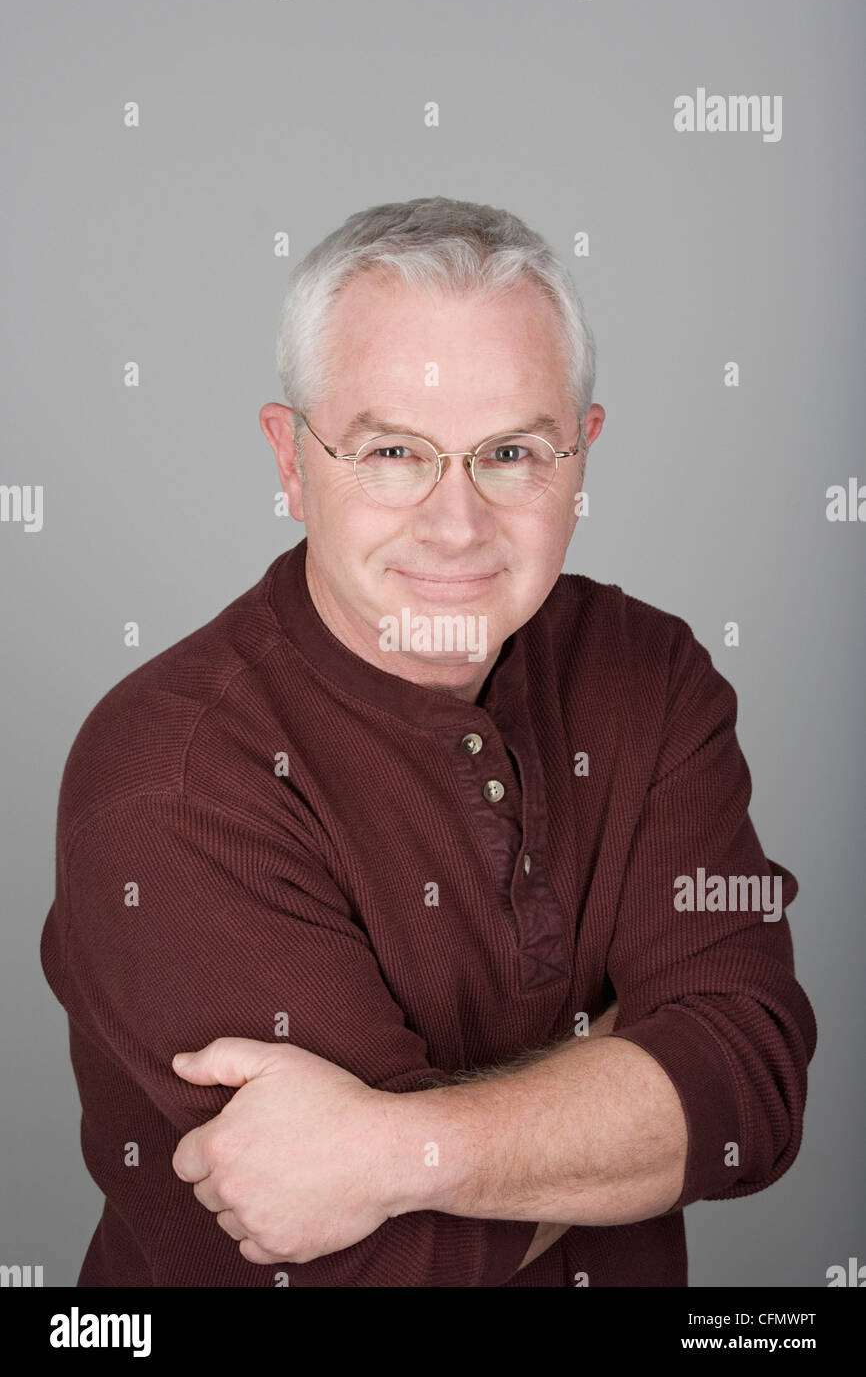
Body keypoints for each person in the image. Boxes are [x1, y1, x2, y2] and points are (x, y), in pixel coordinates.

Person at [41, 196, 817, 1287]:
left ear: (580, 456)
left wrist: (391, 1149)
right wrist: (619, 1080)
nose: (455, 525)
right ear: (289, 459)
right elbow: (390, 1265)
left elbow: (746, 1091)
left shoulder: (649, 671)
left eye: (509, 452)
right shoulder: (168, 779)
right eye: (393, 450)